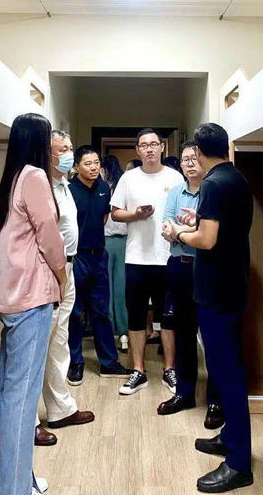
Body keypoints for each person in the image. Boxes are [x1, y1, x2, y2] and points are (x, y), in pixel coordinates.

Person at [163, 123, 254, 493]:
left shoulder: (213, 184)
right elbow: (224, 228)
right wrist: (195, 221)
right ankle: (230, 438)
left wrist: (179, 232)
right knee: (228, 368)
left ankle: (239, 464)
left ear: (199, 152)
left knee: (227, 374)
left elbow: (208, 240)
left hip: (217, 291)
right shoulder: (236, 178)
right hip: (233, 285)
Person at [0, 113, 66, 495]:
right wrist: (62, 277)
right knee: (21, 400)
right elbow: (50, 236)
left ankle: (5, 481)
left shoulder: (13, 176)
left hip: (12, 297)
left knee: (8, 395)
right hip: (31, 296)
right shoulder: (34, 176)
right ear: (39, 141)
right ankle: (13, 489)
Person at [111, 129, 183, 395]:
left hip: (168, 257)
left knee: (168, 317)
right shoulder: (128, 178)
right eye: (144, 145)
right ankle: (138, 371)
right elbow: (115, 213)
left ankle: (170, 369)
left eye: (154, 144)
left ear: (162, 147)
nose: (149, 149)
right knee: (136, 316)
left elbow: (183, 212)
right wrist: (136, 215)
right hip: (136, 258)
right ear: (137, 150)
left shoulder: (175, 177)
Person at [158, 141, 224, 431]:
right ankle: (184, 393)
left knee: (210, 335)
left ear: (202, 159)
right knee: (183, 333)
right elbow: (166, 229)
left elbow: (207, 233)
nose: (189, 163)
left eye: (193, 158)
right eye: (184, 159)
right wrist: (189, 230)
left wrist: (182, 230)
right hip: (180, 267)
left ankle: (215, 401)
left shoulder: (213, 190)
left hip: (207, 269)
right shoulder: (175, 192)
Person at [35, 130, 94, 448]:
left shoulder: (64, 185)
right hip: (51, 271)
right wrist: (58, 275)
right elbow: (45, 236)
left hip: (68, 267)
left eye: (71, 147)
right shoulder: (41, 185)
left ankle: (60, 409)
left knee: (58, 342)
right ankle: (30, 421)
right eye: (64, 149)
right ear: (49, 154)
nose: (70, 153)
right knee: (40, 344)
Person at [67, 146, 130, 384]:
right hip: (77, 257)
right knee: (75, 313)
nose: (94, 167)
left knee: (102, 312)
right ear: (76, 167)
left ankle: (108, 362)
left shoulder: (104, 187)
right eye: (88, 163)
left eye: (96, 163)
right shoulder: (69, 190)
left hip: (99, 256)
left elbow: (104, 217)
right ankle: (75, 362)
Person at [101, 154, 129, 353]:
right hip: (126, 242)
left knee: (107, 289)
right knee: (122, 288)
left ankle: (109, 331)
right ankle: (124, 333)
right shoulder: (124, 186)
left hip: (106, 241)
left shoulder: (102, 189)